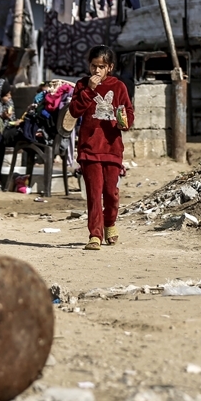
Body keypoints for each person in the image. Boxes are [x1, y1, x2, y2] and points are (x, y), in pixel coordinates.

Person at [68, 45, 134, 250]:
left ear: (110, 67)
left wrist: (125, 121)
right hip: (89, 148)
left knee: (111, 193)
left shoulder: (119, 86)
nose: (97, 71)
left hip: (112, 147)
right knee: (94, 193)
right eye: (94, 66)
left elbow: (128, 113)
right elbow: (75, 110)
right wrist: (89, 90)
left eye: (101, 67)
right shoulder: (81, 85)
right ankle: (94, 235)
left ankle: (110, 223)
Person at [0, 78, 22, 190]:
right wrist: (1, 117)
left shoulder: (8, 103)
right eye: (6, 95)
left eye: (10, 94)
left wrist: (15, 122)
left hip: (4, 130)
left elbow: (10, 122)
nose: (9, 97)